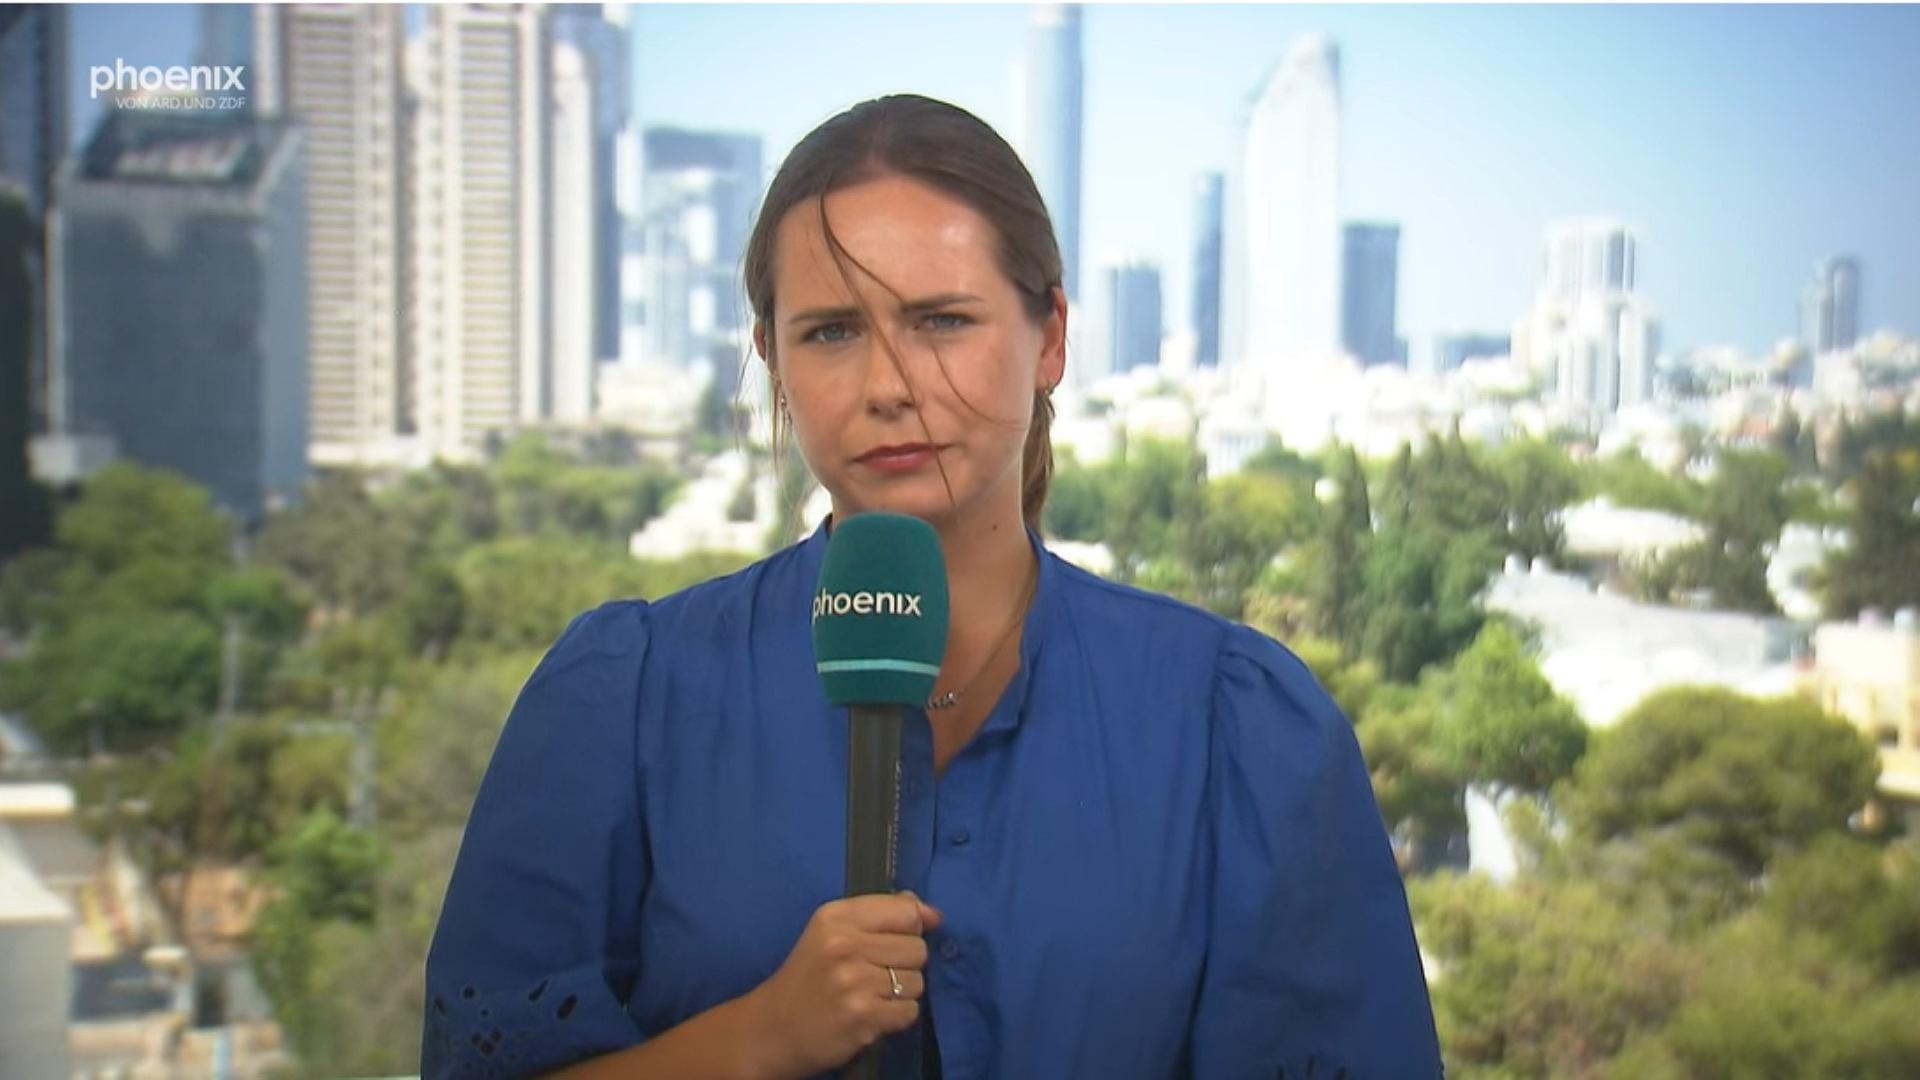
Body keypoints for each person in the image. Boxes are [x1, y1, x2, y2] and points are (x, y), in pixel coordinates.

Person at [422, 93, 1441, 1080]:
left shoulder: (1232, 724)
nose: (889, 386)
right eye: (831, 331)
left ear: (1049, 338)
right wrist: (755, 1042)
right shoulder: (628, 700)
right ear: (773, 361)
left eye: (942, 320)